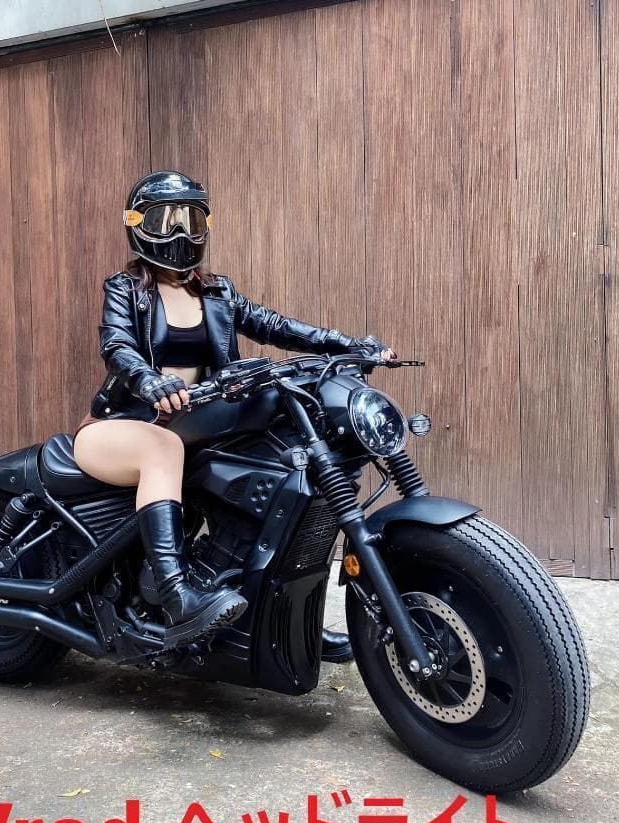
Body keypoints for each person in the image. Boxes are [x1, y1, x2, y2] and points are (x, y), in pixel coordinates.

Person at [73, 171, 396, 655]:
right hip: (123, 426)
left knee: (285, 468)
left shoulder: (217, 292)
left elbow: (278, 326)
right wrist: (148, 380)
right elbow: (117, 345)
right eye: (165, 220)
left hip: (190, 424)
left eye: (191, 220)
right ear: (138, 225)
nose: (180, 233)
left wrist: (349, 345)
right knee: (161, 448)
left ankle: (291, 622)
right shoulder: (124, 289)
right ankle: (177, 597)